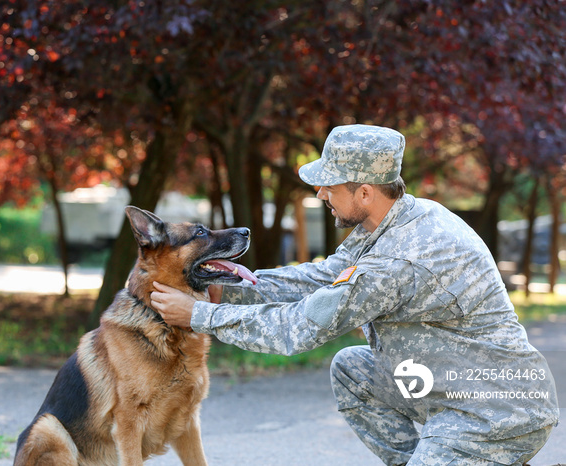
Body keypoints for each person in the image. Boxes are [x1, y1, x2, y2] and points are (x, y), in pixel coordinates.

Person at [150, 124, 559, 465]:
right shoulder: (391, 221)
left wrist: (199, 315)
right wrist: (224, 290)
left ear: (364, 192)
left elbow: (300, 328)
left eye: (328, 185)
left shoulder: (399, 259)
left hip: (495, 411)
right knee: (353, 368)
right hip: (445, 388)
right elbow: (324, 277)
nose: (319, 194)